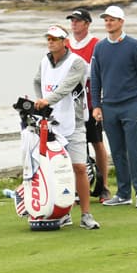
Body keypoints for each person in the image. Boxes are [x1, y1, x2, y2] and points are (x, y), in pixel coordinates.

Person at [33, 24, 100, 229]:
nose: (50, 42)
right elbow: (37, 81)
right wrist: (39, 101)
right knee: (55, 170)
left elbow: (65, 88)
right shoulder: (45, 61)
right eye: (49, 39)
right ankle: (63, 212)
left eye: (54, 39)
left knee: (79, 167)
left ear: (64, 41)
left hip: (74, 121)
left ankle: (86, 215)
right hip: (51, 123)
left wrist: (46, 101)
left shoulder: (77, 63)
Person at [89, 5, 137, 208]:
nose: (108, 23)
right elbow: (96, 78)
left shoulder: (135, 45)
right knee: (117, 152)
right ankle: (123, 193)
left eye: (112, 19)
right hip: (109, 107)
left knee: (134, 151)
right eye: (106, 20)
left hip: (131, 104)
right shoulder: (100, 47)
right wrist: (96, 106)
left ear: (121, 22)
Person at [66, 6, 110, 201]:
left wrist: (80, 70)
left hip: (90, 103)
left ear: (86, 23)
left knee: (97, 142)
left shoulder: (95, 44)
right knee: (73, 145)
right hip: (69, 106)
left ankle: (104, 186)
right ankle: (77, 189)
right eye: (72, 20)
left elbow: (99, 71)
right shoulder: (65, 43)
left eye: (77, 20)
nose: (73, 23)